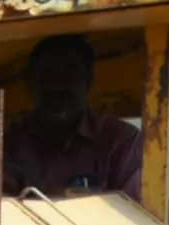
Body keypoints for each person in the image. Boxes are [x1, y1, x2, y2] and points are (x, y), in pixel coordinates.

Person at [11, 33, 145, 201]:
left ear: (89, 81)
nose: (57, 85)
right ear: (30, 82)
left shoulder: (121, 141)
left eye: (70, 74)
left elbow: (133, 214)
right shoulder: (6, 142)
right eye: (47, 73)